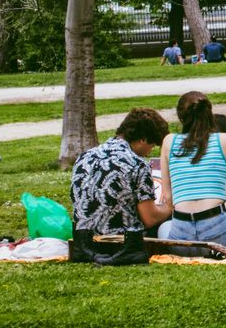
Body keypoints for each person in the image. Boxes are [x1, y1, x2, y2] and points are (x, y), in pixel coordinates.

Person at [70, 108, 172, 263]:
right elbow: (150, 218)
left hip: (84, 243)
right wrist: (169, 207)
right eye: (152, 145)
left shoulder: (84, 157)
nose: (150, 152)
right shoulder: (137, 164)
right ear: (143, 139)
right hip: (120, 244)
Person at [158, 91, 226, 247]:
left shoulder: (169, 142)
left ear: (181, 117)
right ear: (209, 114)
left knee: (163, 228)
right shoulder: (225, 140)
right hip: (218, 231)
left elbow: (168, 198)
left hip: (181, 236)